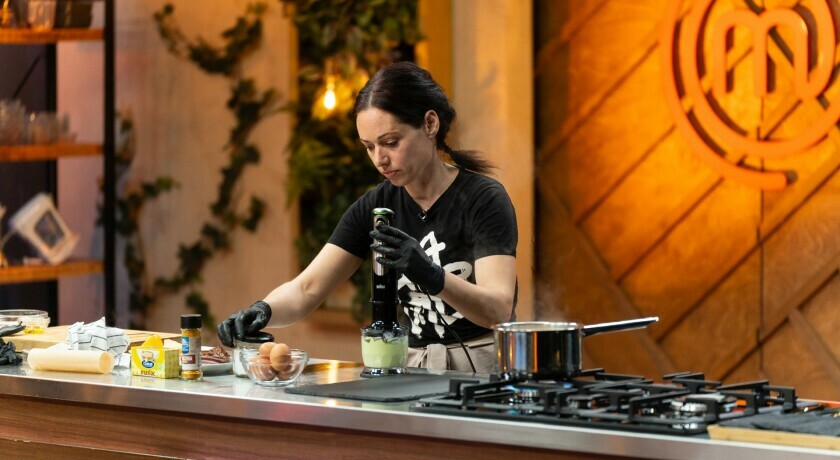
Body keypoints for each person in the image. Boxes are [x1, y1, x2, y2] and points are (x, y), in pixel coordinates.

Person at [217, 61, 518, 373]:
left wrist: (432, 275)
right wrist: (263, 310)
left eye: (391, 142)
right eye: (369, 147)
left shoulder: (483, 199)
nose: (379, 159)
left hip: (483, 367)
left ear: (430, 124)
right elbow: (308, 288)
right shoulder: (378, 206)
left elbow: (498, 310)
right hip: (413, 367)